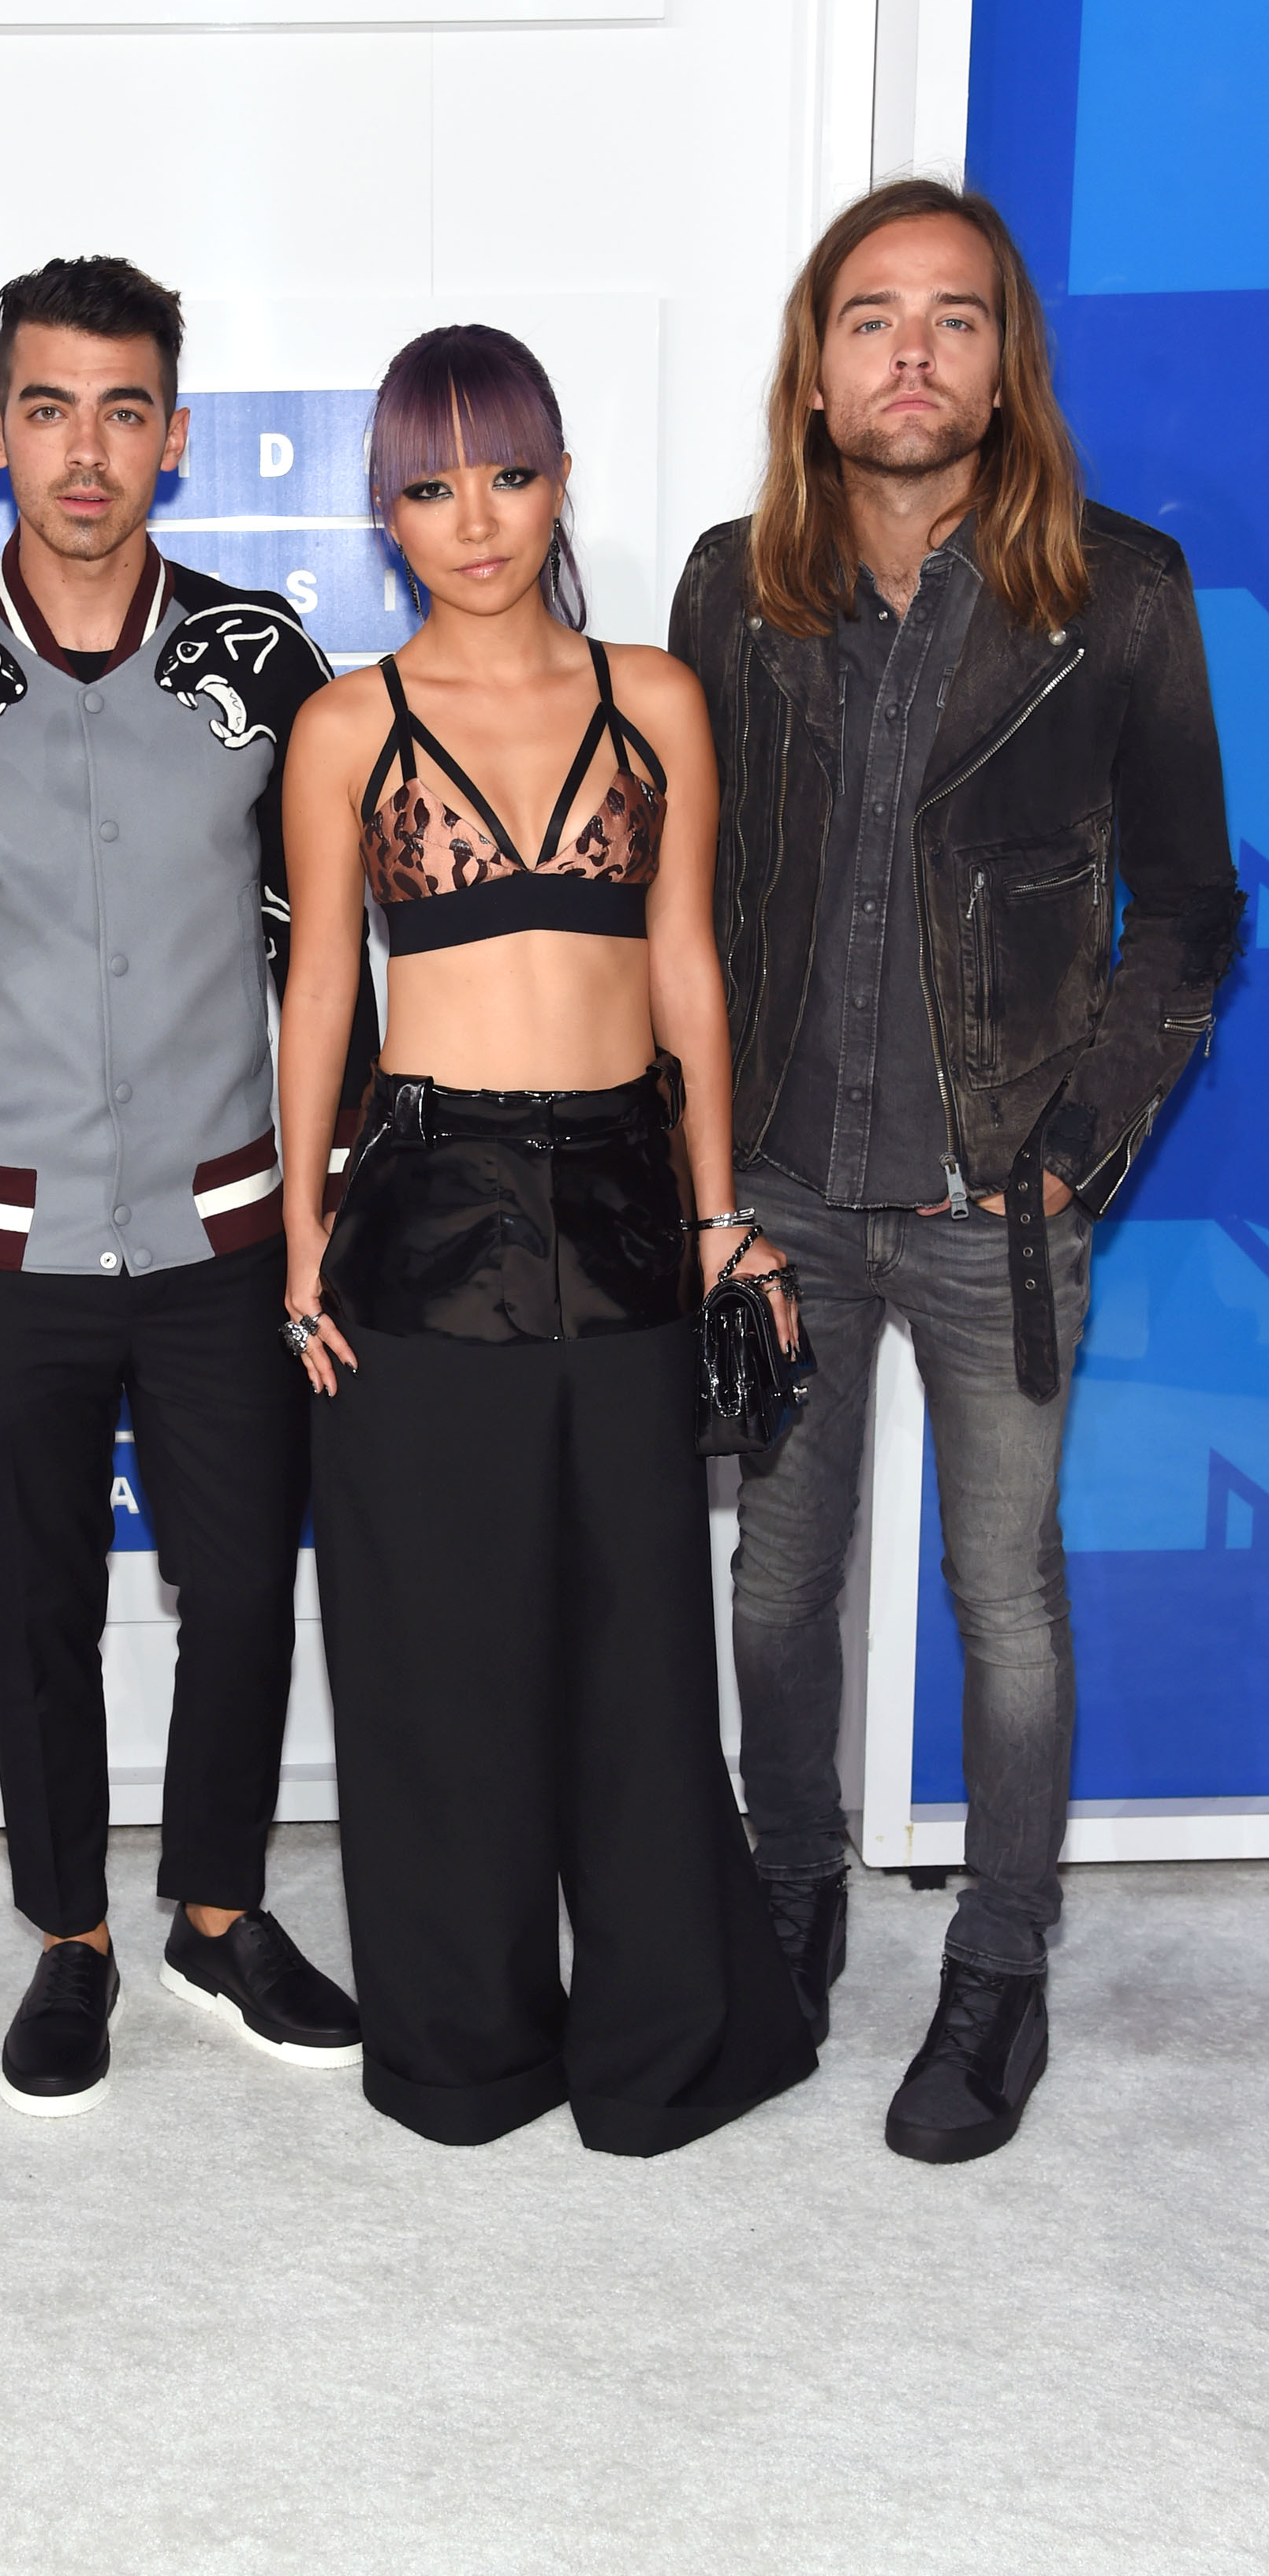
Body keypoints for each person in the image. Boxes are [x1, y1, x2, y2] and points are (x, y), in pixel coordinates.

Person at [670, 177, 1240, 2161]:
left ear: (1002, 372)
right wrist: (697, 1174)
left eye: (952, 318)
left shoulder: (1118, 593)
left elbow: (1188, 910)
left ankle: (997, 1967)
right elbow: (688, 902)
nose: (908, 353)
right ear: (814, 372)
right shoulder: (731, 588)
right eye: (869, 318)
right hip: (777, 1192)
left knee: (1002, 1599)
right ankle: (785, 1895)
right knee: (775, 1590)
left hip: (997, 1199)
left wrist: (1071, 1157)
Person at [0, 256, 375, 2115]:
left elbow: (322, 958)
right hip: (1, 1234)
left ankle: (215, 1910)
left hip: (223, 1228)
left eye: (120, 410)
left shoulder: (261, 664)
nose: (83, 450)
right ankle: (69, 1936)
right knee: (36, 1601)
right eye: (46, 408)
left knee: (246, 1585)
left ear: (173, 436)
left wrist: (327, 1209)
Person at [278, 323, 818, 2153]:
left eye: (506, 475)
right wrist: (300, 1236)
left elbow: (686, 968)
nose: (475, 519)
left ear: (559, 482)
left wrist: (719, 1212)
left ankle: (662, 2045)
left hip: (620, 1201)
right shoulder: (344, 726)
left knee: (638, 1647)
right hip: (421, 1210)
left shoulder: (652, 696)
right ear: (386, 513)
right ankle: (463, 2051)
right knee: (437, 1654)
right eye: (430, 487)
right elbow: (319, 996)